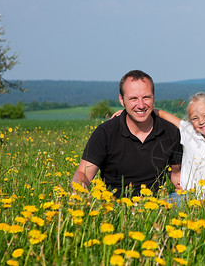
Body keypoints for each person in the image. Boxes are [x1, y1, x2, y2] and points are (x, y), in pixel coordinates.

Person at [113, 92, 205, 199]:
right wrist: (130, 113)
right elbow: (163, 114)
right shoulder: (189, 131)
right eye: (195, 118)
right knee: (156, 212)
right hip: (184, 195)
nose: (201, 121)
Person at [71, 70, 182, 198]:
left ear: (153, 97)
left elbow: (176, 174)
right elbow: (83, 173)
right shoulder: (105, 133)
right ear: (122, 100)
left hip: (157, 205)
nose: (141, 105)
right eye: (133, 98)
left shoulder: (170, 131)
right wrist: (83, 193)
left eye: (146, 97)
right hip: (114, 204)